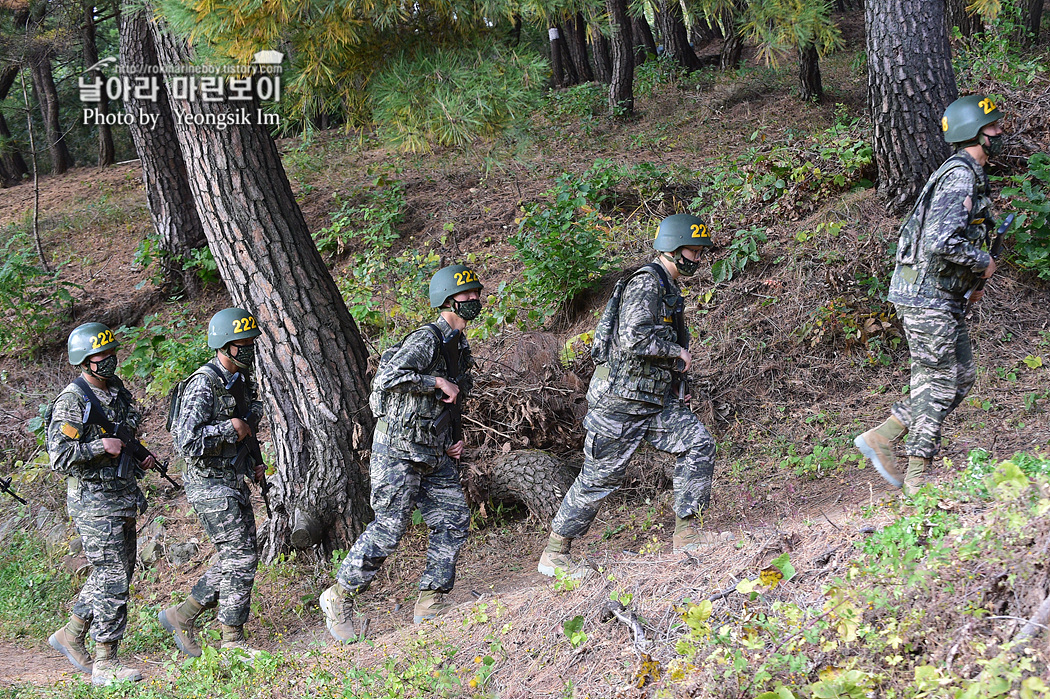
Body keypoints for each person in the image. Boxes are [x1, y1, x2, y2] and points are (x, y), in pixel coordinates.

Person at [537, 214, 722, 579]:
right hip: (620, 403)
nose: (698, 258)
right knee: (599, 477)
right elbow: (633, 339)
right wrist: (676, 353)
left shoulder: (669, 287)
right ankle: (555, 554)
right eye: (694, 250)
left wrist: (674, 385)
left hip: (652, 400)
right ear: (672, 247)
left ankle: (688, 535)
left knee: (698, 444)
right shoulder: (646, 283)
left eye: (701, 252)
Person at [320, 264, 481, 642]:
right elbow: (386, 377)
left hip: (434, 449)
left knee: (453, 519)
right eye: (466, 296)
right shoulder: (427, 339)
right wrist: (433, 380)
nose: (474, 300)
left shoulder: (459, 345)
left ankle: (431, 600)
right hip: (397, 450)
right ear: (447, 300)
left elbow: (453, 398)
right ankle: (339, 596)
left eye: (476, 294)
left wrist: (454, 437)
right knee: (390, 528)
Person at [855, 94, 1004, 495]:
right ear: (974, 133)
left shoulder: (970, 174)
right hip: (926, 296)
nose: (999, 132)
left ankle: (884, 435)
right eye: (992, 127)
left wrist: (972, 283)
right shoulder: (960, 176)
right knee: (940, 382)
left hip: (938, 295)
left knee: (960, 377)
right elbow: (942, 241)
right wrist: (982, 263)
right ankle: (918, 482)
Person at [47, 323, 149, 686]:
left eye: (110, 354)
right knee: (112, 575)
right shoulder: (72, 401)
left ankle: (71, 633)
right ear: (84, 361)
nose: (108, 360)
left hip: (122, 495)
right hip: (92, 502)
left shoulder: (117, 389)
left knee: (120, 570)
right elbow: (59, 457)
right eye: (99, 356)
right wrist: (97, 447)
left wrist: (134, 451)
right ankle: (106, 662)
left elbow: (130, 422)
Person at [160, 307, 265, 657]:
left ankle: (183, 614)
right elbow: (185, 441)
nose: (249, 349)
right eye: (242, 343)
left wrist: (256, 463)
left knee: (239, 554)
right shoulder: (203, 383)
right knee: (240, 556)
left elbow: (246, 428)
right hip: (208, 484)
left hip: (232, 478)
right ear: (224, 345)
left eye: (251, 343)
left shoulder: (239, 381)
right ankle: (232, 640)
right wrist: (227, 429)